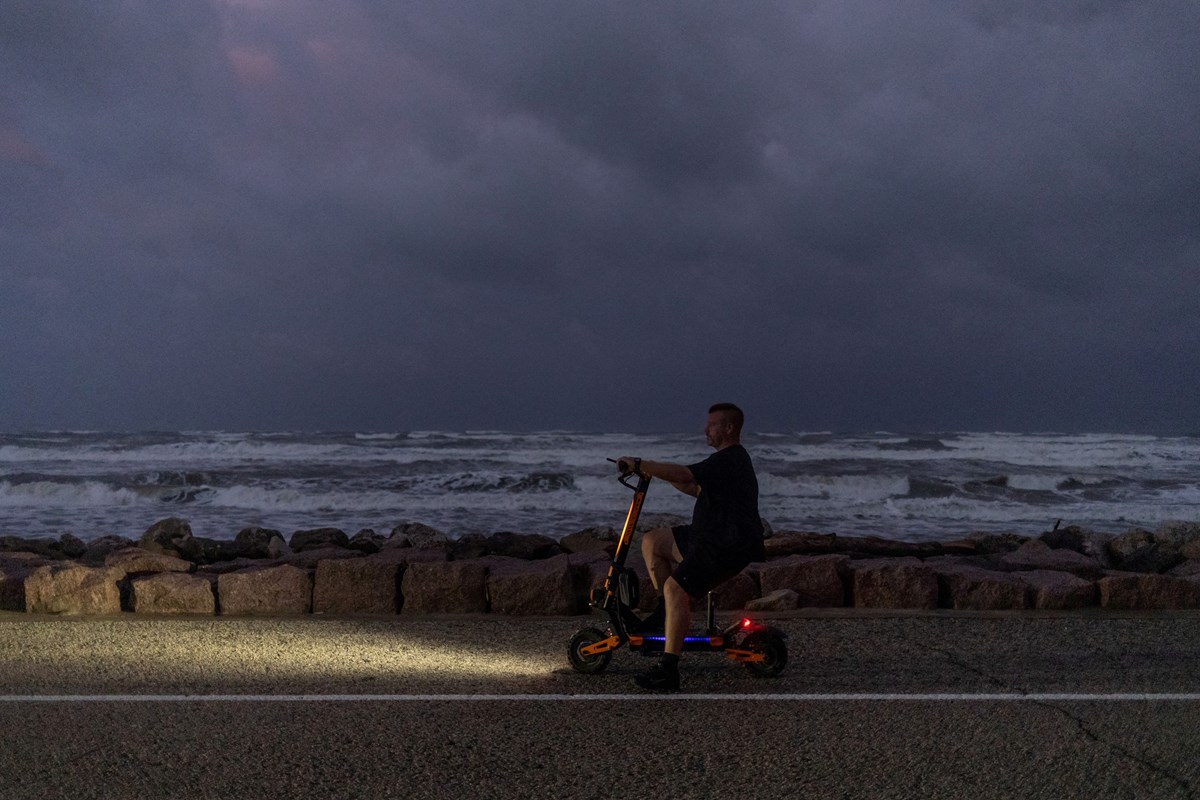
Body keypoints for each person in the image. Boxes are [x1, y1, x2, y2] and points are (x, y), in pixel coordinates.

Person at [616, 402, 765, 692]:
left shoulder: (730, 459)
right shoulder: (725, 463)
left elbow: (687, 475)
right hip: (707, 536)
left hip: (724, 546)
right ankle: (664, 615)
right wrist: (657, 473)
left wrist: (640, 463)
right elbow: (694, 487)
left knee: (675, 588)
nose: (705, 430)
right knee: (653, 541)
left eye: (712, 424)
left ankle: (668, 671)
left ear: (729, 428)